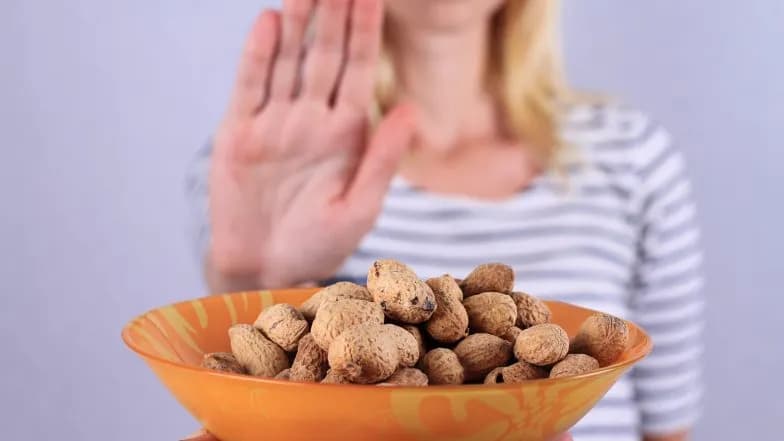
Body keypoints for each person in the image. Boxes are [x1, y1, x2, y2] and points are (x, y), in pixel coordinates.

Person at [185, 0, 704, 440]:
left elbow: (669, 425)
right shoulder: (279, 161)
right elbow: (259, 383)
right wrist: (249, 279)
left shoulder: (632, 156)